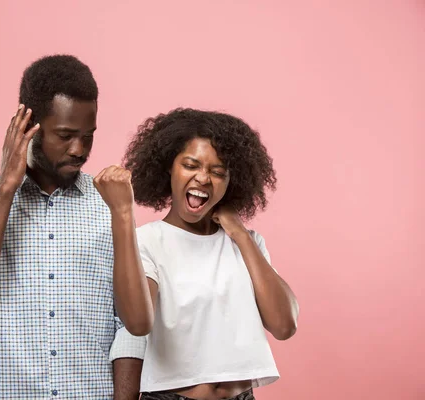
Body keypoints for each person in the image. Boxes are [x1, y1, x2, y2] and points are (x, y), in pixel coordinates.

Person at [0, 54, 143, 400]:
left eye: (87, 136)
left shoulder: (110, 204)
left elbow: (130, 326)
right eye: (64, 135)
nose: (79, 150)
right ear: (27, 126)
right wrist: (5, 189)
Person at [95, 108, 300, 400]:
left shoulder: (247, 243)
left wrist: (241, 235)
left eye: (218, 172)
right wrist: (123, 214)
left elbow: (284, 325)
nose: (203, 178)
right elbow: (138, 323)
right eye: (191, 165)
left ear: (232, 181)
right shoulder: (147, 241)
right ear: (170, 167)